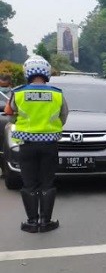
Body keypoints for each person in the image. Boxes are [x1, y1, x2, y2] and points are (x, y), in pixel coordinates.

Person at [3, 56, 69, 233]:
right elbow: (63, 116)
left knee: (29, 183)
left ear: (27, 73)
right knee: (47, 182)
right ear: (46, 73)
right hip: (49, 144)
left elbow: (9, 115)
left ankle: (32, 222)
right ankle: (46, 221)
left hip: (27, 144)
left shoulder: (18, 93)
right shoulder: (57, 93)